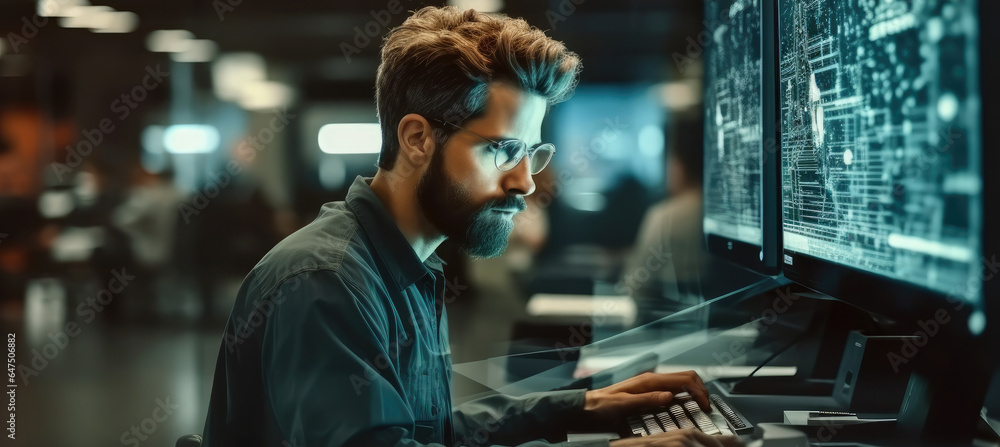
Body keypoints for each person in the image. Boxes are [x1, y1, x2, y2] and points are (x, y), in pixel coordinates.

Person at [201, 7, 743, 447]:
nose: (525, 183)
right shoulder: (326, 282)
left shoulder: (407, 262)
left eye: (533, 152)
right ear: (417, 139)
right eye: (503, 150)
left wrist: (584, 406)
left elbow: (429, 435)